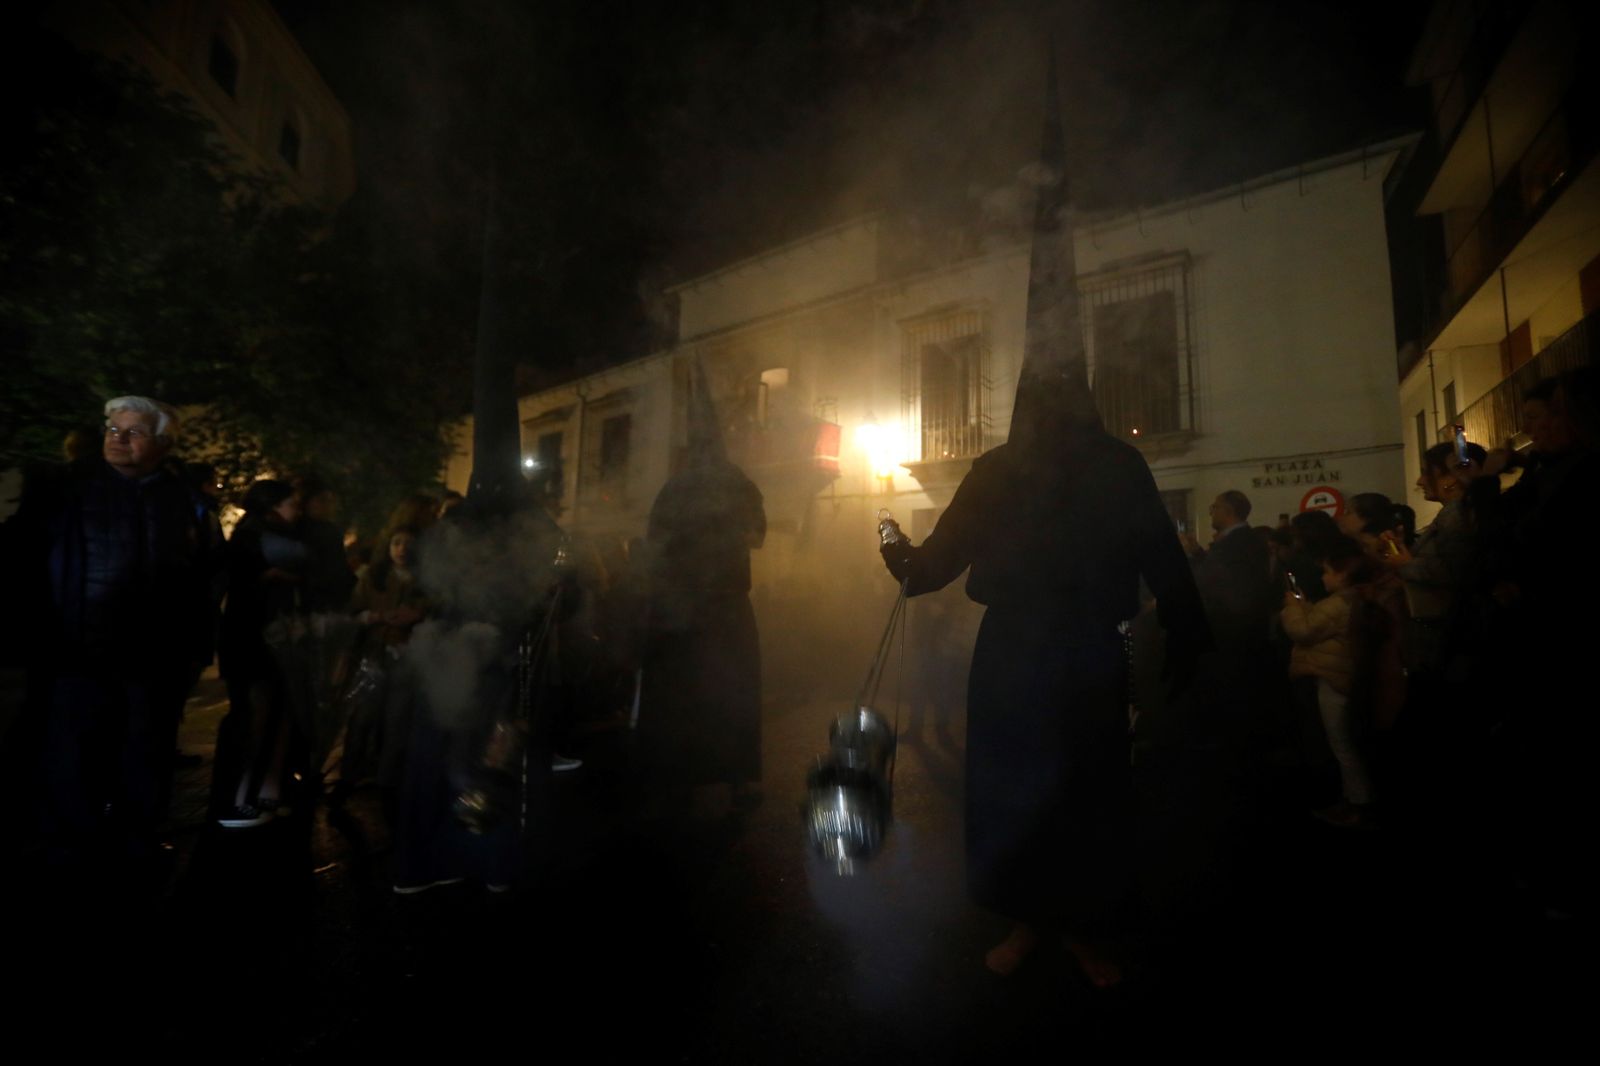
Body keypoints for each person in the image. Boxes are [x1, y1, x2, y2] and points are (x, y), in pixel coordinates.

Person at [879, 361, 1210, 985]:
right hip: (1026, 650)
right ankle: (1028, 918)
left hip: (1075, 649)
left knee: (1084, 790)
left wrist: (890, 536)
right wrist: (898, 547)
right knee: (1020, 790)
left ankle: (1082, 925)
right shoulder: (1002, 470)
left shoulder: (1114, 466)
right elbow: (931, 569)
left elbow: (1160, 555)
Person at [11, 396, 215, 885]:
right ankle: (69, 849)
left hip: (153, 656)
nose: (118, 439)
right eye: (113, 428)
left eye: (134, 431)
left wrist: (194, 645)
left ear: (163, 443)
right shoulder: (66, 488)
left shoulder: (184, 498)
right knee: (73, 754)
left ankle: (135, 844)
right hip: (78, 650)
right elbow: (23, 557)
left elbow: (205, 573)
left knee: (144, 753)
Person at [639, 364, 767, 813]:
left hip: (691, 610)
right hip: (717, 609)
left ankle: (690, 781)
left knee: (692, 694)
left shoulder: (674, 489)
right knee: (728, 692)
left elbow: (653, 548)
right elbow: (758, 535)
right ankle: (734, 781)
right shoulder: (736, 483)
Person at [1281, 539, 1375, 828]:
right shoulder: (1355, 599)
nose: (1323, 577)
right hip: (1341, 674)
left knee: (1341, 743)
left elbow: (1304, 630)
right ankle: (1354, 800)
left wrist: (1292, 608)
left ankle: (1357, 803)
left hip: (1333, 677)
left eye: (1327, 572)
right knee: (1345, 741)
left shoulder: (1339, 603)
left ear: (1342, 574)